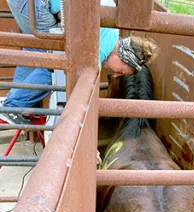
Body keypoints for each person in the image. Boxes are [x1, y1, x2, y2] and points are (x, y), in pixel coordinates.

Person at [0, 0, 158, 125]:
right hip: (34, 5)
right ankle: (14, 105)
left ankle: (16, 100)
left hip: (27, 3)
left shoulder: (111, 29)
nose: (116, 75)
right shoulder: (100, 49)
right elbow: (80, 81)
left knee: (37, 48)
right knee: (54, 64)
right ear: (123, 57)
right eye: (121, 71)